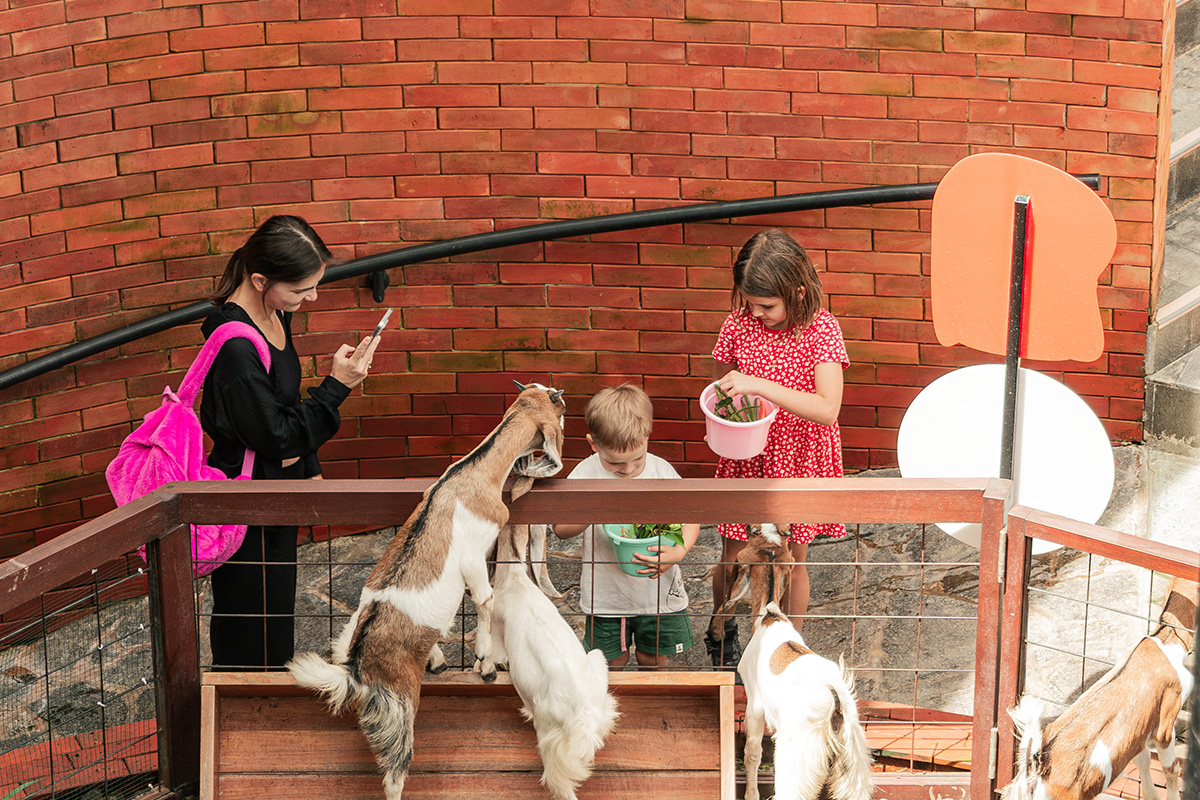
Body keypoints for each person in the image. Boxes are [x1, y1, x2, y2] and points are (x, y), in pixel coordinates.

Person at [200, 215, 381, 670]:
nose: (312, 298)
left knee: (275, 611)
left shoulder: (275, 312)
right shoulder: (235, 348)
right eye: (302, 289)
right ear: (260, 279)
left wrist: (310, 466)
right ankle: (238, 703)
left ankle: (266, 690)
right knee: (248, 617)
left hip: (277, 491)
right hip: (246, 500)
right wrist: (337, 386)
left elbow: (285, 401)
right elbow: (277, 435)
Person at [706, 228, 849, 668]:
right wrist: (725, 409)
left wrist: (759, 383)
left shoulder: (821, 328)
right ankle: (722, 628)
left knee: (792, 557)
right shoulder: (739, 324)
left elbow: (827, 408)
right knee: (733, 549)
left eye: (766, 305)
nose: (757, 312)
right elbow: (730, 388)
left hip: (801, 458)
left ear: (798, 290)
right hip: (750, 453)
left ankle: (789, 649)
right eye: (750, 302)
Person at [552, 384, 701, 669]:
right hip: (607, 595)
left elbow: (690, 517)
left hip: (656, 589)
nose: (628, 470)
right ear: (594, 444)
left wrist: (679, 552)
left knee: (653, 657)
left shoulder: (661, 472)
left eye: (637, 459)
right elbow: (561, 528)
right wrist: (595, 508)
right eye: (615, 463)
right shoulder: (584, 474)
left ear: (647, 436)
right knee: (611, 663)